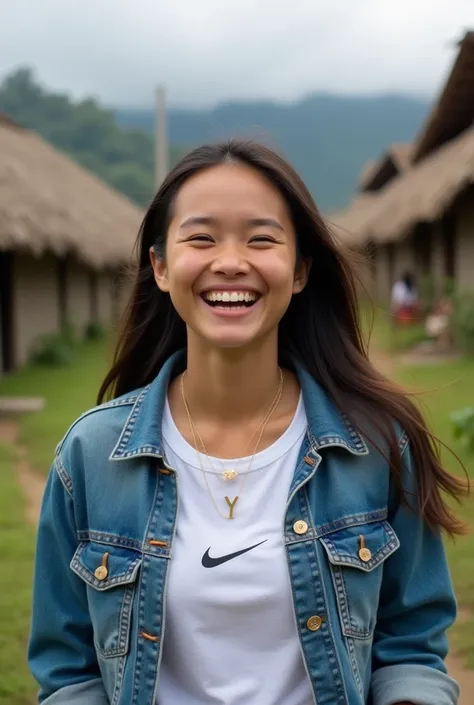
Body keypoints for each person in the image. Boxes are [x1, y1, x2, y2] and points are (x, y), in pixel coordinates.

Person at [28, 140, 466, 705]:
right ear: (160, 267)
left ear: (301, 269)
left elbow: (410, 644)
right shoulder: (88, 456)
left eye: (261, 239)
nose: (231, 261)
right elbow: (69, 672)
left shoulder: (376, 448)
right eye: (201, 238)